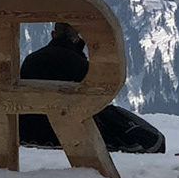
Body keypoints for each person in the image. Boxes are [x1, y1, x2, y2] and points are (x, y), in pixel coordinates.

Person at [17, 22, 166, 154]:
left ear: (53, 34)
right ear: (77, 38)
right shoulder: (81, 65)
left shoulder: (31, 60)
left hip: (30, 129)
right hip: (71, 130)